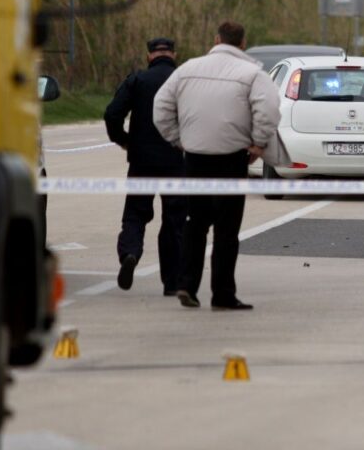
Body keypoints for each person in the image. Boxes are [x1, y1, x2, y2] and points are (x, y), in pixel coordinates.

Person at [153, 21, 280, 310]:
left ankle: (186, 284)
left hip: (195, 157)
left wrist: (178, 139)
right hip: (232, 157)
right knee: (226, 229)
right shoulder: (252, 73)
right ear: (243, 43)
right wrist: (258, 143)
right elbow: (269, 109)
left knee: (194, 223)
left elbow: (160, 107)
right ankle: (222, 294)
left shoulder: (187, 69)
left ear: (216, 39)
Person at [104, 37, 186, 295]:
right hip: (176, 160)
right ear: (173, 54)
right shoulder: (182, 81)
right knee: (174, 221)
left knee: (136, 213)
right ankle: (172, 283)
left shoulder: (137, 80)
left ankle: (130, 253)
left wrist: (124, 140)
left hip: (142, 161)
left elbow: (112, 114)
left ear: (149, 55)